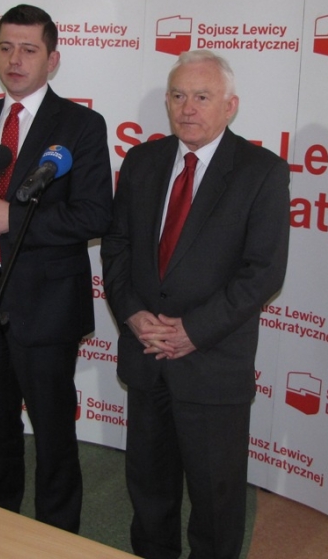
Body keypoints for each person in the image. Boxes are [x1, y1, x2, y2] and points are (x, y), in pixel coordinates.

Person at [101, 50, 290, 559]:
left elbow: (262, 272)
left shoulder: (262, 172)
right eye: (178, 95)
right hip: (147, 357)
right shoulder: (142, 162)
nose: (188, 108)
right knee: (149, 490)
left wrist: (193, 331)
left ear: (230, 106)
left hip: (211, 363)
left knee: (215, 502)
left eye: (202, 97)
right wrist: (132, 314)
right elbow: (116, 246)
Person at [0, 4, 113, 532]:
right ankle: (1, 529)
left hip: (47, 307)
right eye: (5, 48)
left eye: (28, 50)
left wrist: (11, 219)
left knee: (52, 437)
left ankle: (57, 537)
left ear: (52, 59)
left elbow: (94, 214)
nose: (14, 60)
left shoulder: (81, 125)